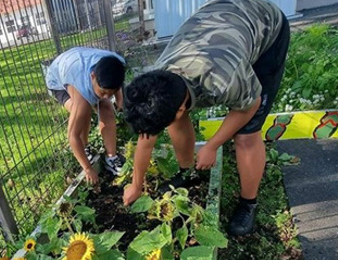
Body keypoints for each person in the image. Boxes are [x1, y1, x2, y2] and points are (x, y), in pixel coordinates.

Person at [122, 0, 290, 236]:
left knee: (245, 135)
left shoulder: (223, 79)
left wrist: (213, 145)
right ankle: (187, 173)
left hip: (266, 27)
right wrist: (135, 185)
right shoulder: (160, 81)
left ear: (181, 107)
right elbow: (146, 138)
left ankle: (248, 204)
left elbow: (249, 106)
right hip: (220, 19)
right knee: (175, 120)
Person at [45, 47, 127, 184]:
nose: (107, 96)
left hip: (76, 61)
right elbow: (72, 136)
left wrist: (119, 99)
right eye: (103, 92)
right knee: (83, 112)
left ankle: (111, 158)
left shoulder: (117, 63)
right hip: (58, 78)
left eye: (111, 92)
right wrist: (88, 168)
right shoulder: (81, 89)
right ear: (93, 77)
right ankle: (84, 148)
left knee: (106, 106)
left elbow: (116, 84)